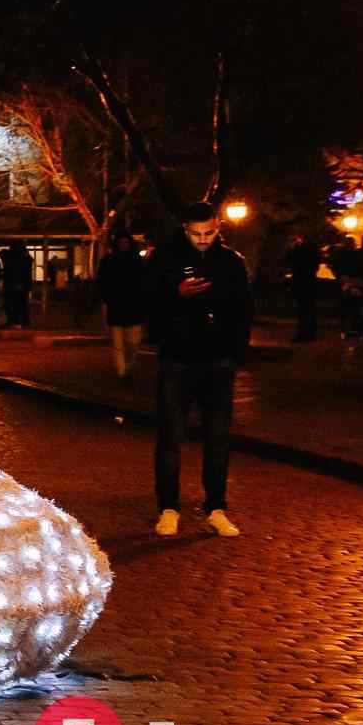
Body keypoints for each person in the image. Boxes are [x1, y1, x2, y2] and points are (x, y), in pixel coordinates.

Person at [146, 202, 253, 538]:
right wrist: (176, 294)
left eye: (209, 233)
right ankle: (169, 507)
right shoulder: (164, 258)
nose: (203, 239)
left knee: (218, 437)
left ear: (218, 227)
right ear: (185, 229)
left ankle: (216, 508)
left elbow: (244, 310)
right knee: (170, 436)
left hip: (218, 359)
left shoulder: (232, 262)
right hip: (177, 357)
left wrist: (235, 354)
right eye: (196, 234)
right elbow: (146, 300)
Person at [96, 233, 147, 384]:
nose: (124, 245)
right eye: (121, 242)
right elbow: (102, 282)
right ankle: (122, 372)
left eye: (126, 242)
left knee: (133, 342)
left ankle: (128, 367)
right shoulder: (108, 261)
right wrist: (106, 299)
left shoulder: (137, 261)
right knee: (117, 344)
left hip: (133, 307)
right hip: (116, 306)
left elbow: (144, 282)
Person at [285, 233, 320, 342]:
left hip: (301, 280)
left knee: (303, 308)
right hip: (310, 280)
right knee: (309, 307)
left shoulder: (299, 249)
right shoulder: (314, 249)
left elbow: (288, 258)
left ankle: (304, 333)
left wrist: (292, 247)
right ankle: (311, 332)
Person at [0, 242, 32, 328]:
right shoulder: (25, 259)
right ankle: (23, 321)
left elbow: (2, 253)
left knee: (12, 304)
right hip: (22, 285)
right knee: (22, 304)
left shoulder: (9, 258)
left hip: (12, 285)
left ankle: (14, 321)